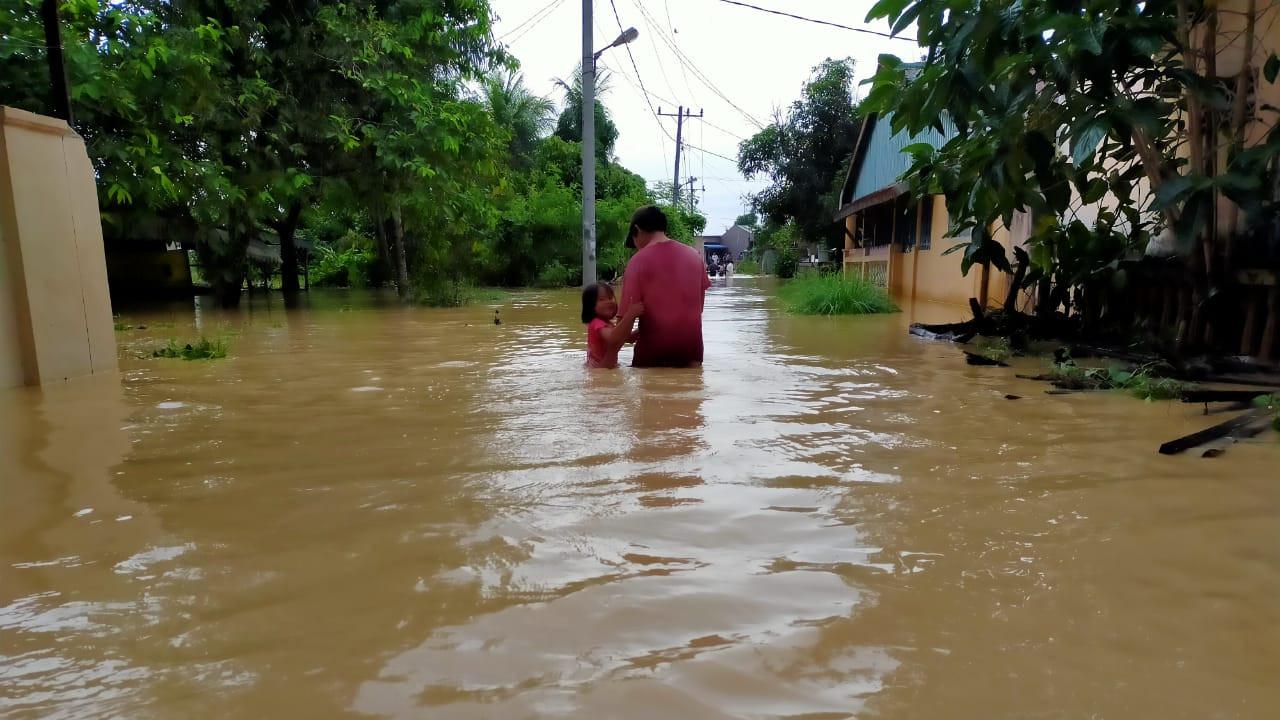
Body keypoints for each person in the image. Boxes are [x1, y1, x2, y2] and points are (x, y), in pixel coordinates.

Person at [620, 205, 711, 367]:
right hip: (692, 353)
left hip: (652, 355)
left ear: (637, 230)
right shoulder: (694, 257)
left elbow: (622, 329)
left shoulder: (638, 261)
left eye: (633, 240)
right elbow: (698, 309)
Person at [581, 283, 643, 369]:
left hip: (605, 370)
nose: (608, 302)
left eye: (610, 298)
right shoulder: (596, 323)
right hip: (601, 372)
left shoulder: (608, 324)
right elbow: (612, 338)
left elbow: (628, 338)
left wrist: (643, 328)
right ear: (590, 306)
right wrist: (630, 315)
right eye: (601, 299)